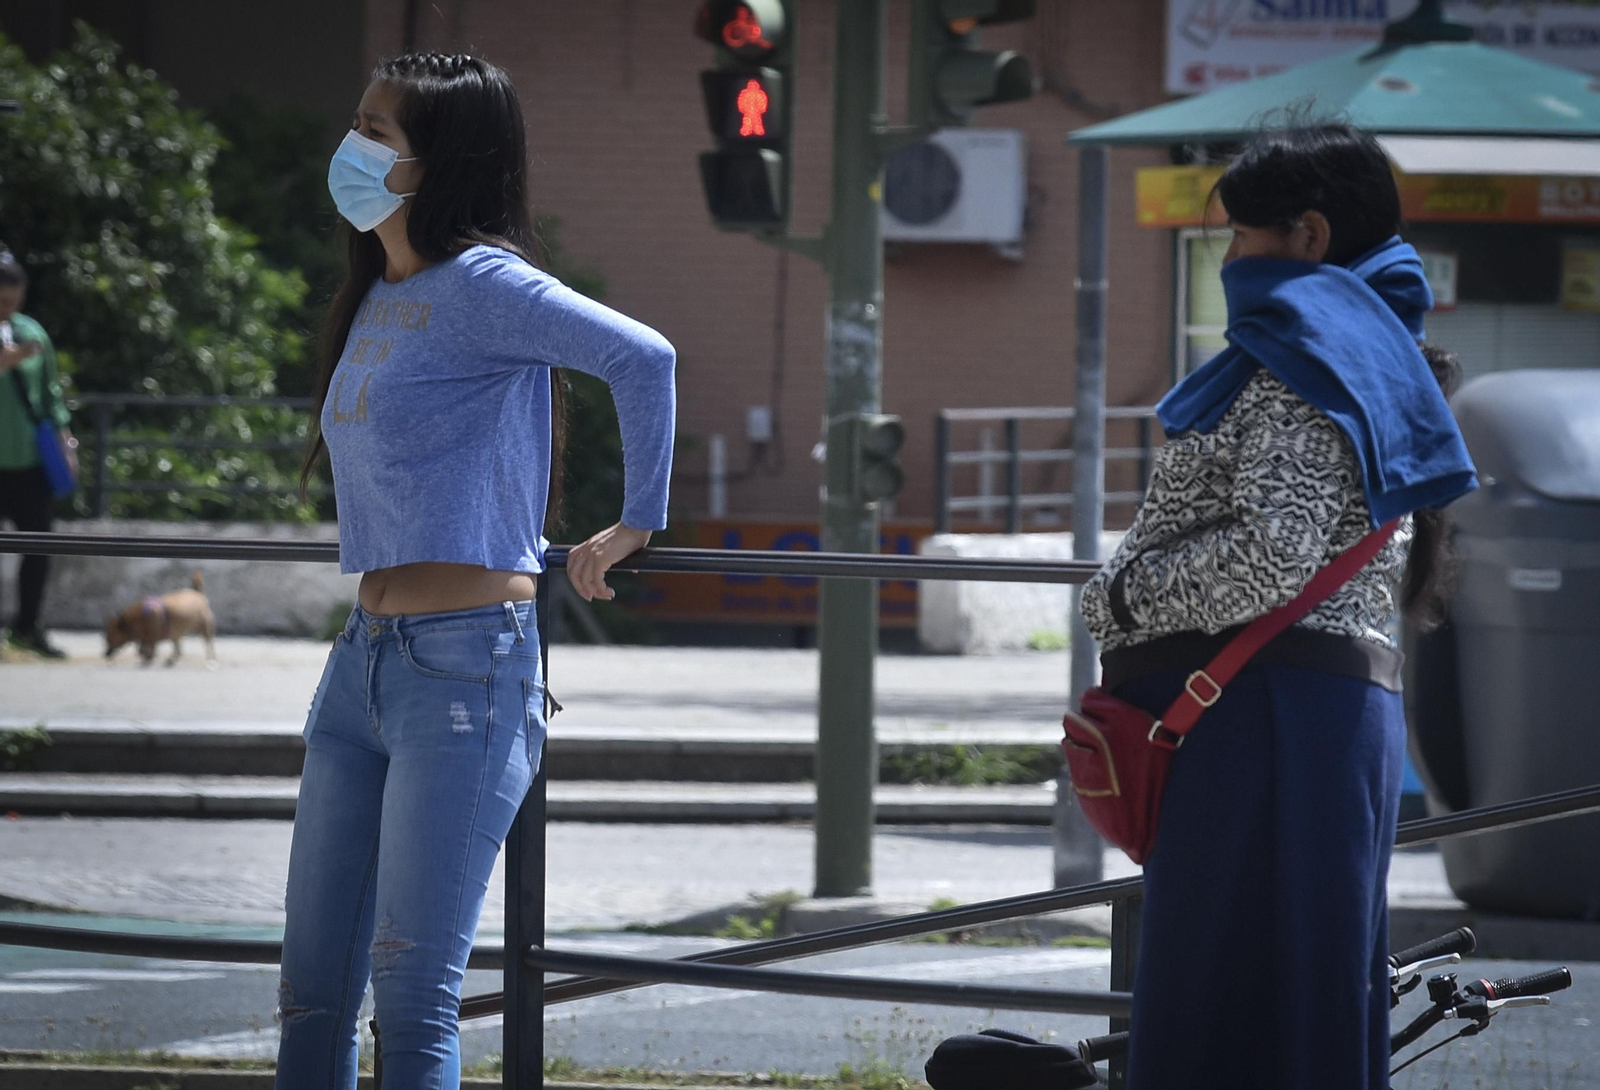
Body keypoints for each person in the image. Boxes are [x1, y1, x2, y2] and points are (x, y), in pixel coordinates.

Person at [280, 52, 675, 1089]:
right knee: (311, 992)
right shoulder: (377, 289)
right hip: (359, 663)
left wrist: (636, 521)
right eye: (356, 121)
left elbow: (647, 358)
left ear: (439, 162)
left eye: (378, 131)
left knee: (412, 1004)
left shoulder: (486, 284)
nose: (352, 147)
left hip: (464, 672)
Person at [1079, 124, 1477, 1089]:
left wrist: (1118, 590)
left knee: (1230, 1009)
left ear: (1307, 235)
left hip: (1265, 720)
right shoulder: (1354, 345)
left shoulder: (1315, 355)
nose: (1230, 260)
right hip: (1281, 715)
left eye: (1242, 236)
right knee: (1288, 1005)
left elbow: (1274, 555)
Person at [0, 249, 77, 659]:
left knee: (39, 546)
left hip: (29, 462)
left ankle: (28, 627)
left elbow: (50, 394)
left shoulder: (34, 332)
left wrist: (66, 442)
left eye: (12, 300)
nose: (7, 308)